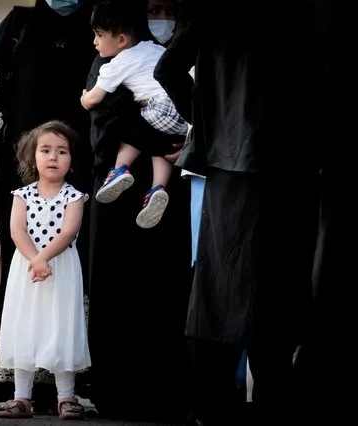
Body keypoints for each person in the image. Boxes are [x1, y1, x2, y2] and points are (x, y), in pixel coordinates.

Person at [162, 1, 320, 424]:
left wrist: (206, 123)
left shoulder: (216, 12)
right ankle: (272, 399)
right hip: (291, 164)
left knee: (221, 283)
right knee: (280, 283)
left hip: (228, 162)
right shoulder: (301, 14)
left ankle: (212, 404)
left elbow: (167, 70)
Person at [0, 0, 98, 410]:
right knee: (19, 269)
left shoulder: (96, 22)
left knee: (72, 272)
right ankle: (14, 384)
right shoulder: (20, 23)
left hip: (84, 172)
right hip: (19, 172)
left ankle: (69, 387)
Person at [85, 0, 193, 422]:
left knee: (165, 293)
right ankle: (120, 392)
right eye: (153, 7)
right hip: (125, 201)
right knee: (120, 294)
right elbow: (103, 126)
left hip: (157, 195)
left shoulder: (170, 56)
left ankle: (165, 392)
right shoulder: (116, 58)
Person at [0, 121, 90, 420]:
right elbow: (16, 230)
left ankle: (66, 397)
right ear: (32, 157)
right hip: (28, 270)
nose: (53, 157)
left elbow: (68, 232)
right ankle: (21, 398)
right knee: (25, 326)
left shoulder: (74, 196)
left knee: (62, 326)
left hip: (59, 269)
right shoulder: (22, 195)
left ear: (71, 160)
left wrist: (43, 259)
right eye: (46, 150)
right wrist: (35, 260)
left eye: (61, 152)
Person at [80, 0, 187, 229]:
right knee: (163, 143)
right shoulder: (159, 49)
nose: (94, 42)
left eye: (99, 36)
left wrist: (83, 97)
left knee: (135, 132)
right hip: (183, 116)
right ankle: (158, 187)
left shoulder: (114, 64)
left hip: (158, 110)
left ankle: (120, 168)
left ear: (120, 40)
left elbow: (94, 100)